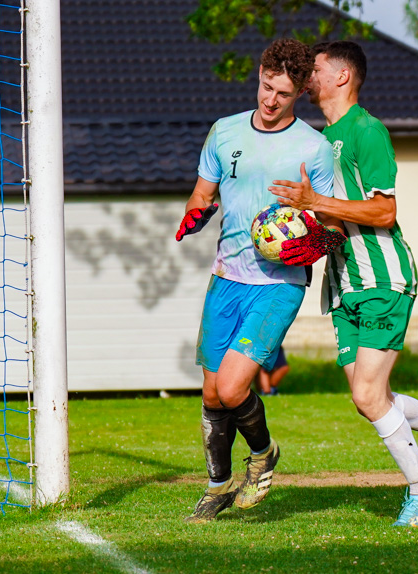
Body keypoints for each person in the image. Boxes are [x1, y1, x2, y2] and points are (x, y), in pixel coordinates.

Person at [270, 41, 418, 528]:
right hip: (345, 284)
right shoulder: (325, 138)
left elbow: (385, 211)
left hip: (383, 277)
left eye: (317, 68)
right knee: (371, 400)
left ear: (342, 77)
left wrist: (316, 204)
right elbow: (341, 218)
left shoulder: (367, 131)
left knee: (368, 396)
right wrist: (304, 235)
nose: (308, 74)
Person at [175, 38, 347, 524]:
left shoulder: (313, 149)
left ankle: (264, 454)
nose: (270, 101)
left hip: (278, 284)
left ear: (299, 95)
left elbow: (332, 224)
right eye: (266, 88)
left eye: (284, 95)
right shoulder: (224, 132)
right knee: (210, 393)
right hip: (226, 276)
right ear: (259, 74)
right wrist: (195, 215)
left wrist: (316, 245)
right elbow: (201, 194)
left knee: (231, 390)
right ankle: (217, 486)